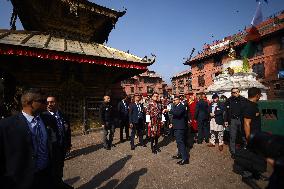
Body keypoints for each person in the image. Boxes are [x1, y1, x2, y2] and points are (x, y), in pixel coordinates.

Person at [0, 89, 60, 189]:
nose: (46, 104)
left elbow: (54, 143)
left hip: (46, 175)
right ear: (29, 103)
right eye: (42, 101)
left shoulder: (49, 119)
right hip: (21, 180)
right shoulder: (6, 125)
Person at [233, 87, 267, 188]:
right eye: (259, 95)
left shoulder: (252, 105)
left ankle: (256, 173)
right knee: (249, 155)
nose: (260, 97)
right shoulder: (249, 106)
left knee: (256, 155)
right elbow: (246, 123)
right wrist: (249, 138)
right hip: (251, 137)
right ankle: (247, 176)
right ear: (257, 95)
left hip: (256, 135)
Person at [43, 96, 73, 189]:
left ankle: (59, 182)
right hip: (50, 149)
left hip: (61, 146)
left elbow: (68, 131)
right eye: (47, 102)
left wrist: (68, 144)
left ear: (57, 103)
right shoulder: (43, 117)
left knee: (60, 166)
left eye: (52, 102)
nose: (49, 104)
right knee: (51, 169)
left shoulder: (63, 115)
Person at [165, 96, 189, 165]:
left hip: (180, 127)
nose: (174, 101)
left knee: (180, 142)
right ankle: (179, 154)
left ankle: (185, 158)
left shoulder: (182, 106)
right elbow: (175, 117)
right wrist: (172, 123)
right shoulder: (176, 106)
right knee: (178, 142)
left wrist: (169, 110)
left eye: (175, 100)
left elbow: (177, 114)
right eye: (173, 100)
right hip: (176, 126)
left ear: (179, 100)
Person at [224, 88, 247, 158]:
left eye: (237, 92)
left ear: (239, 92)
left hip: (241, 119)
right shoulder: (228, 100)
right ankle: (233, 152)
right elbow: (226, 112)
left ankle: (246, 149)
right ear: (231, 93)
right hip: (232, 120)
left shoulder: (243, 100)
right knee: (232, 136)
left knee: (244, 135)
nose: (235, 93)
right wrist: (225, 120)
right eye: (234, 92)